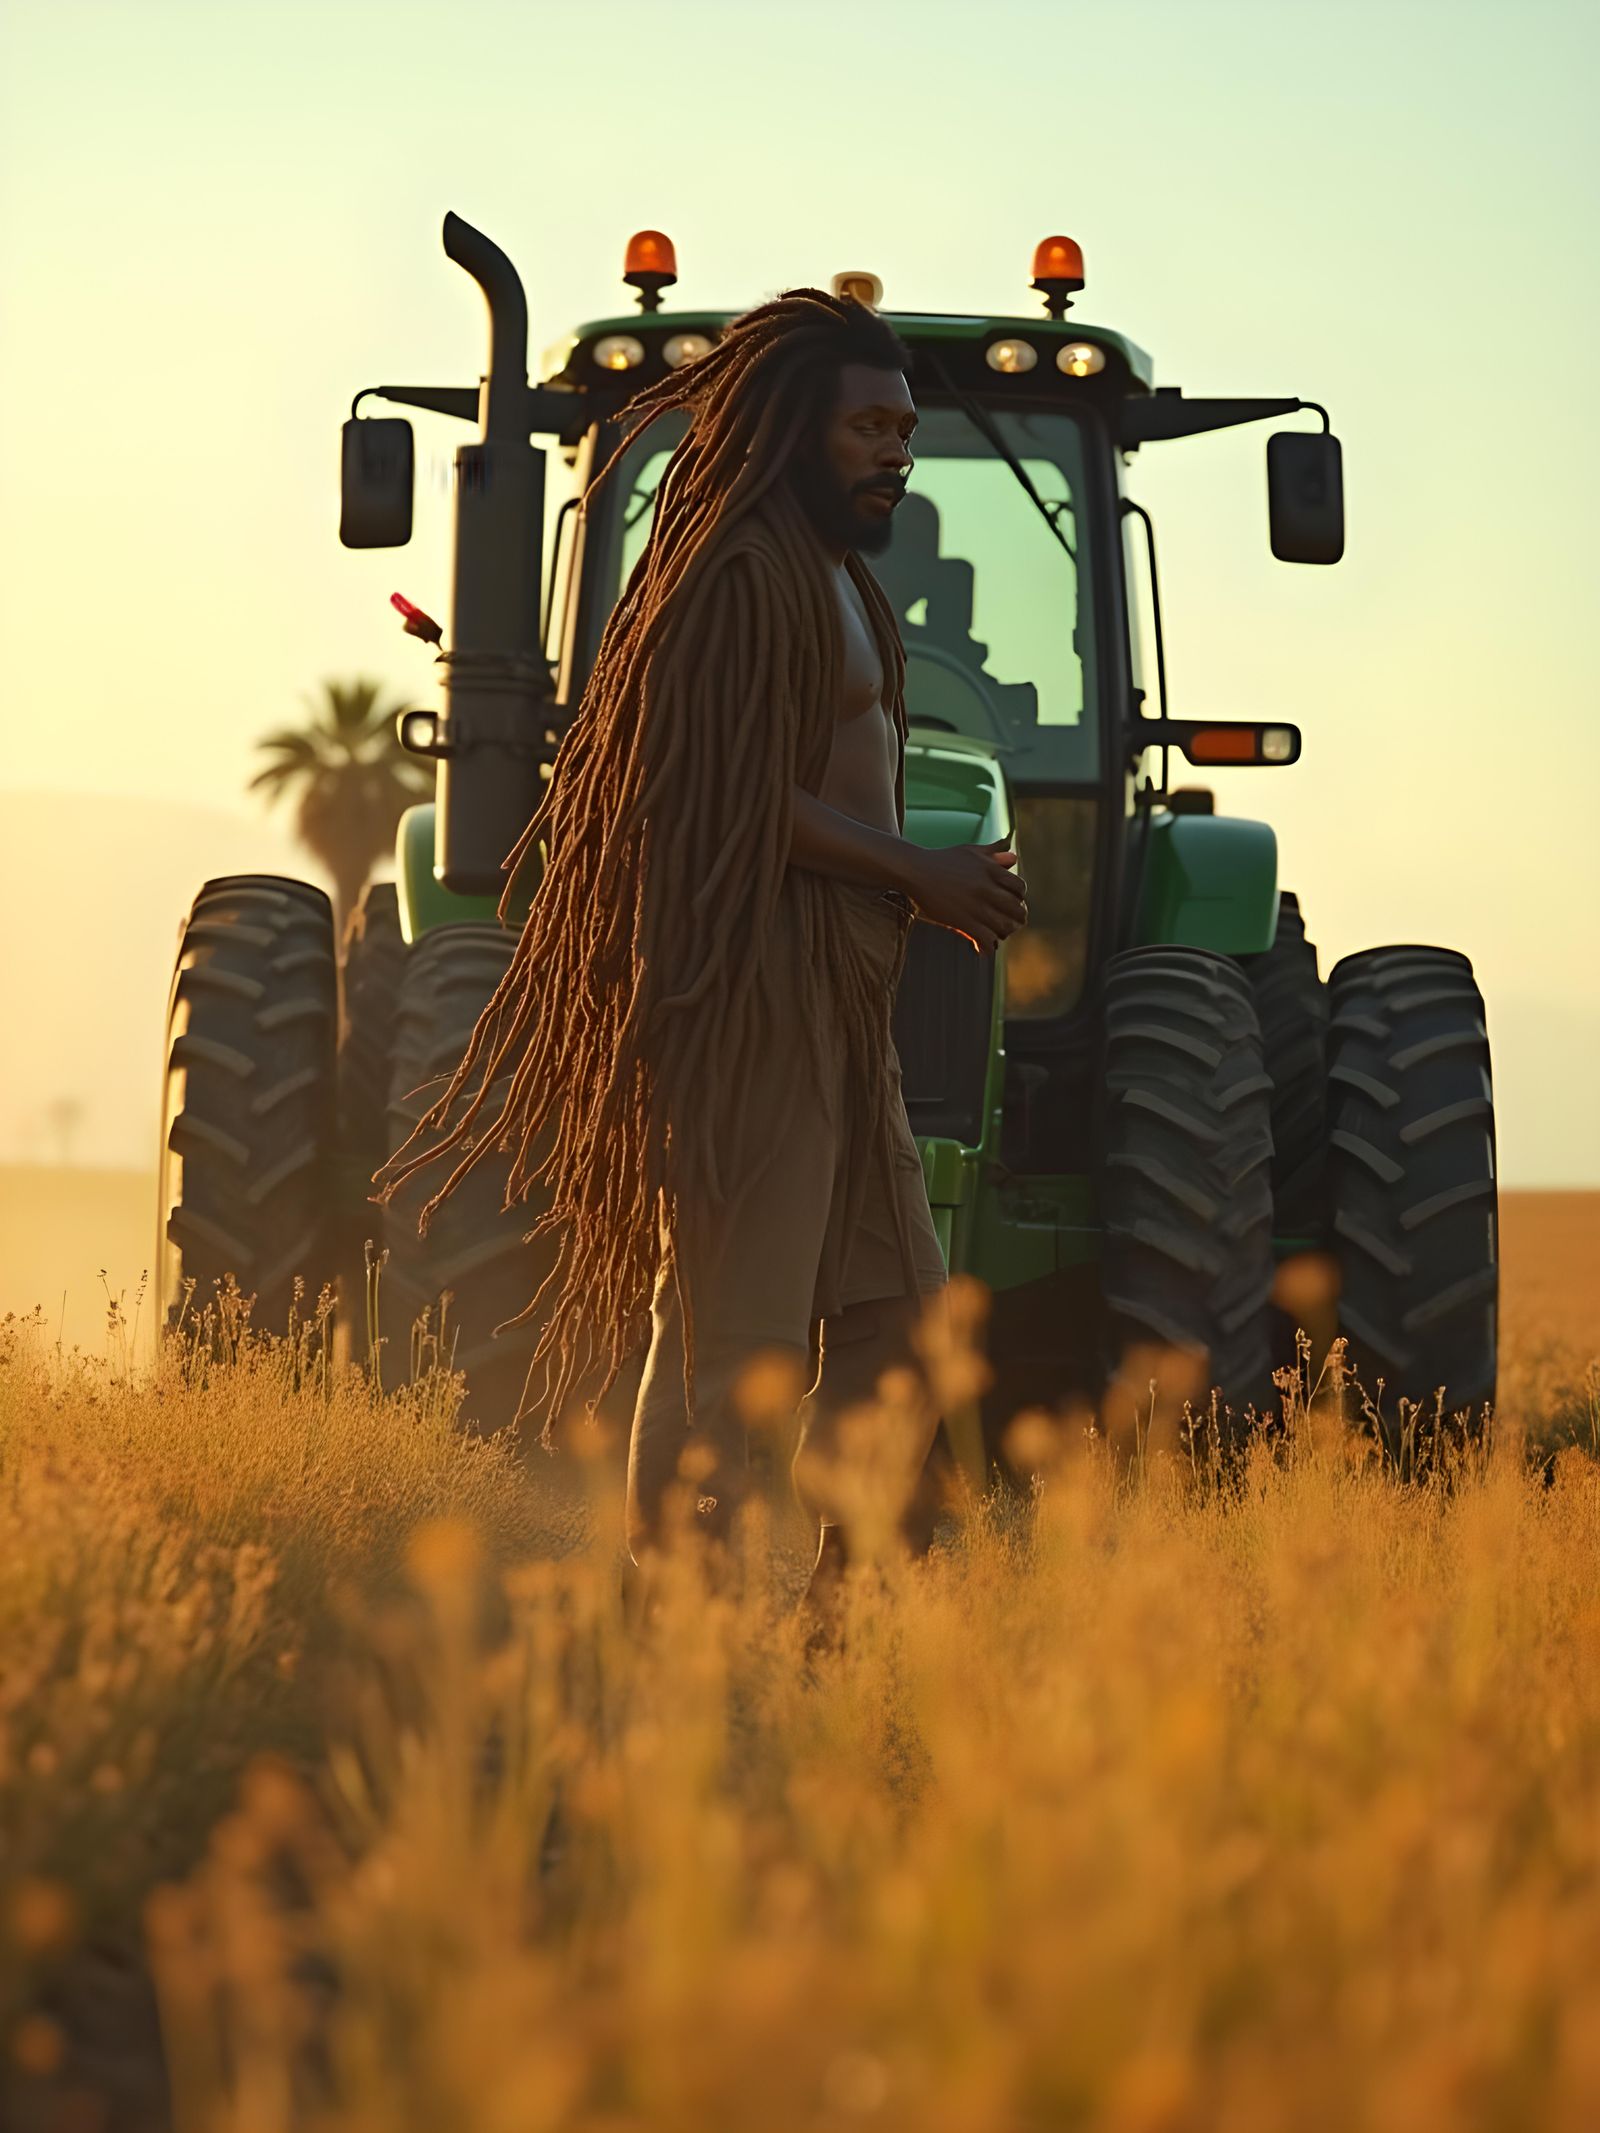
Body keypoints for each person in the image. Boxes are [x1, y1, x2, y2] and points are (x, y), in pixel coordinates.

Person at [377, 290, 1028, 1612]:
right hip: (755, 990)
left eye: (905, 428)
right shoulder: (736, 570)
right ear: (794, 429)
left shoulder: (842, 576)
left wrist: (916, 892)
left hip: (850, 1005)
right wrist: (925, 874)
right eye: (866, 425)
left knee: (903, 1318)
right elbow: (715, 789)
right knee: (737, 1349)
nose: (892, 451)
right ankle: (681, 1615)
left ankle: (849, 1615)